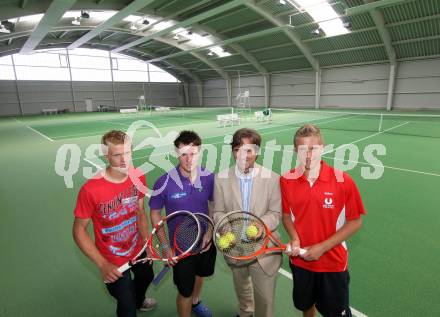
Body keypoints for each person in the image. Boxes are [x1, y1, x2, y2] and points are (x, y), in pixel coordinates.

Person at [280, 124, 366, 317]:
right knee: (305, 305)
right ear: (295, 150)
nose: (308, 155)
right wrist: (294, 238)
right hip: (300, 261)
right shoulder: (286, 180)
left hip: (332, 263)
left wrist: (322, 247)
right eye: (302, 149)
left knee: (335, 312)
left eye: (313, 149)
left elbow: (355, 222)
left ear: (323, 148)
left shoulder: (343, 180)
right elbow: (286, 216)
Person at [72, 130, 156, 317]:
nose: (124, 160)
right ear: (106, 155)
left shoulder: (138, 176)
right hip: (112, 259)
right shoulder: (91, 189)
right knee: (126, 307)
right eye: (117, 155)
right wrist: (102, 264)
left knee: (146, 276)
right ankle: (131, 303)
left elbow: (140, 211)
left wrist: (146, 241)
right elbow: (78, 230)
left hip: (136, 247)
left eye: (127, 153)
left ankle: (139, 300)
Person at [213, 128, 282, 317]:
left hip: (264, 250)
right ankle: (245, 312)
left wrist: (261, 225)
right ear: (233, 151)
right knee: (242, 288)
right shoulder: (220, 179)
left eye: (248, 149)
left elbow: (276, 213)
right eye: (237, 149)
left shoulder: (274, 179)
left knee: (265, 302)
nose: (243, 155)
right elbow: (218, 211)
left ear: (257, 151)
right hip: (235, 248)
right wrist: (227, 229)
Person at [149, 130, 216, 317]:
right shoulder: (163, 182)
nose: (189, 159)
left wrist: (209, 233)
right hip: (181, 247)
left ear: (200, 152)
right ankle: (189, 303)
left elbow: (213, 204)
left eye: (193, 153)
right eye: (183, 154)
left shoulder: (210, 177)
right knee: (184, 291)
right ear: (177, 153)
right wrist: (164, 245)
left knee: (200, 275)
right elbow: (155, 213)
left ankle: (196, 302)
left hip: (205, 242)